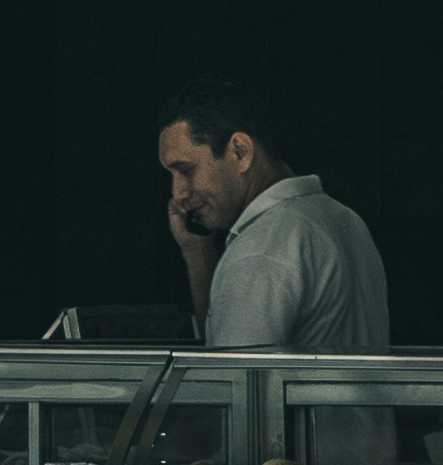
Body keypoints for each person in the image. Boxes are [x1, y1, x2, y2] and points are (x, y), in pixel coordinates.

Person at [157, 87, 388, 352]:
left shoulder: (261, 248)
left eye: (186, 170)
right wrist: (197, 251)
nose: (178, 194)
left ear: (240, 152)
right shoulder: (346, 220)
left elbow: (231, 383)